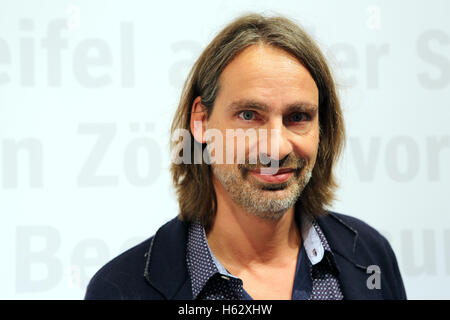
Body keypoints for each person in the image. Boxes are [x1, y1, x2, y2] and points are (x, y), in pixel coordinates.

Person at [85, 13, 407, 300]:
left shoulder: (369, 254)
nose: (276, 149)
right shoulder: (120, 289)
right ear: (200, 121)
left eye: (298, 117)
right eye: (249, 116)